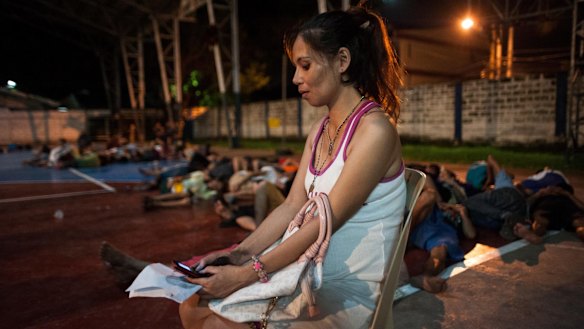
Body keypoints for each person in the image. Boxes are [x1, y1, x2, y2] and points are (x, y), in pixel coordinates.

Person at [179, 5, 406, 329]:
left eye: (305, 65)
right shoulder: (321, 130)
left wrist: (247, 275)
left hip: (347, 290)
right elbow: (292, 206)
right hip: (308, 272)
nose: (296, 78)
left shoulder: (375, 132)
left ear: (342, 61)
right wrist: (239, 254)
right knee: (191, 307)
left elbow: (324, 224)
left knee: (212, 322)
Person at [407, 171, 476, 294]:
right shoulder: (437, 194)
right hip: (425, 217)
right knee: (429, 196)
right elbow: (427, 178)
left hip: (442, 230)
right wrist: (441, 203)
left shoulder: (458, 198)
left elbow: (471, 235)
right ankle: (403, 236)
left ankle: (426, 277)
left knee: (440, 251)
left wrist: (463, 214)